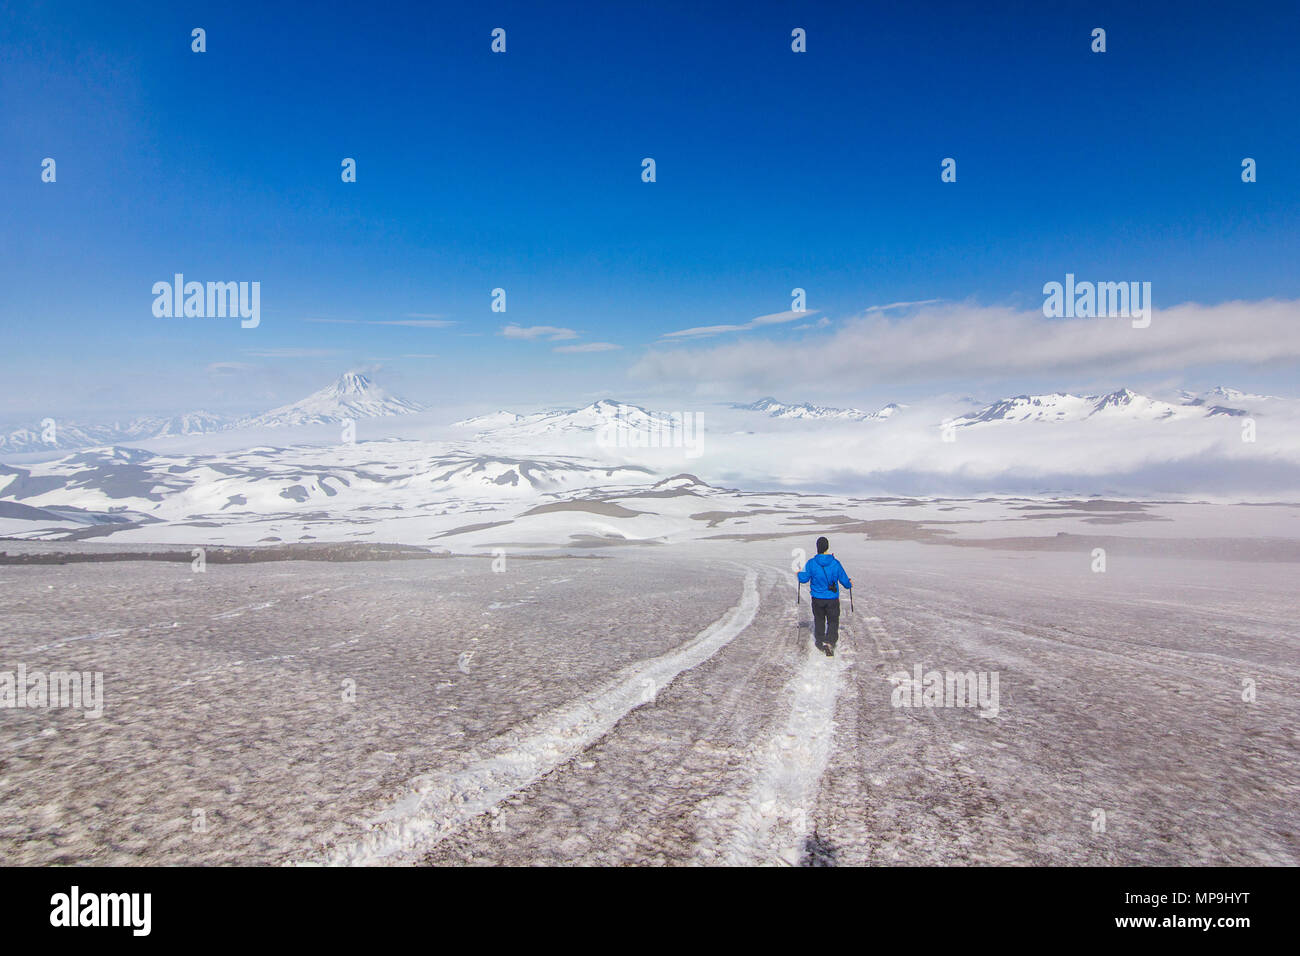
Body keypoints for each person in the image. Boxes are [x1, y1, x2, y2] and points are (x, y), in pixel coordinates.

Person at [797, 536, 852, 656]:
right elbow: (844, 580)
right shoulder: (835, 563)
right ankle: (830, 641)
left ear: (817, 548)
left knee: (819, 619)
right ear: (827, 547)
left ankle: (820, 641)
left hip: (817, 598)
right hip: (832, 598)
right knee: (833, 621)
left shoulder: (811, 563)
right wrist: (849, 584)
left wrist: (799, 574)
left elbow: (803, 579)